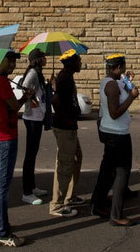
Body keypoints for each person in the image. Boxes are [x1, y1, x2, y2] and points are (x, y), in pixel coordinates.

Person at [0, 50, 34, 247]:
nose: (12, 65)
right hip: (5, 137)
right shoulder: (1, 82)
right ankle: (1, 232)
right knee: (1, 188)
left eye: (14, 61)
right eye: (9, 61)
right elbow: (13, 106)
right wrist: (25, 97)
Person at [91, 53, 139, 227]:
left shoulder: (112, 82)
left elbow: (127, 88)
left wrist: (128, 81)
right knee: (121, 173)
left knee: (107, 170)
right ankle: (116, 215)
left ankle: (98, 204)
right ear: (118, 67)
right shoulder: (112, 86)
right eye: (123, 67)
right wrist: (132, 97)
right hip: (117, 134)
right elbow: (115, 112)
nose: (125, 70)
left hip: (110, 131)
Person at [49, 50, 84, 218]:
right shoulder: (64, 78)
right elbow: (55, 100)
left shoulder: (66, 77)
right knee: (65, 164)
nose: (80, 63)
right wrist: (67, 120)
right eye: (78, 60)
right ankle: (57, 205)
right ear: (71, 63)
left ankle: (69, 197)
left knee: (76, 158)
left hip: (69, 126)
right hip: (64, 127)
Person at [21, 49, 48, 206]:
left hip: (37, 118)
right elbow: (25, 87)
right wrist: (30, 100)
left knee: (33, 154)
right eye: (43, 57)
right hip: (32, 118)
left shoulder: (38, 73)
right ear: (36, 59)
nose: (45, 59)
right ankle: (27, 192)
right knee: (30, 155)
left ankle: (32, 186)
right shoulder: (32, 73)